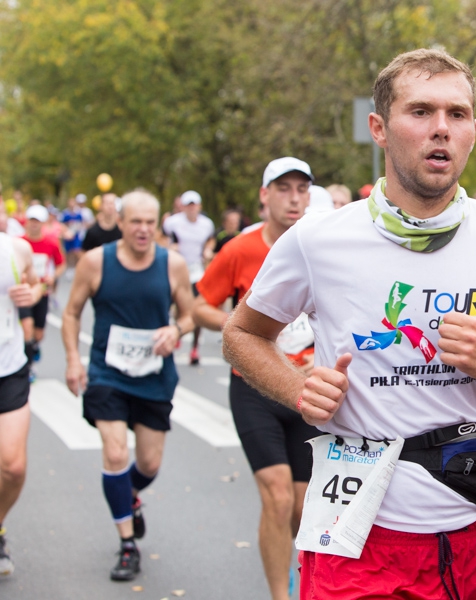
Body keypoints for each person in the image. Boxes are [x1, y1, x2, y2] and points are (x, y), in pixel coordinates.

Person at [222, 48, 476, 599]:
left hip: (473, 525)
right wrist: (297, 388)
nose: (441, 128)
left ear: (473, 131)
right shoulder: (319, 239)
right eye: (420, 111)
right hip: (354, 536)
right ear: (379, 129)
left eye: (457, 114)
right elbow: (241, 334)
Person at [194, 157, 321, 600]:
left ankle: (304, 583)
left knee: (304, 508)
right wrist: (243, 330)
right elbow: (200, 305)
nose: (293, 198)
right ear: (265, 196)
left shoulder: (322, 247)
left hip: (306, 389)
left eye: (301, 189)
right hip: (254, 388)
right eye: (283, 189)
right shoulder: (239, 249)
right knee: (277, 497)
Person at [61, 190, 194, 582]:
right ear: (120, 222)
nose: (143, 229)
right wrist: (73, 360)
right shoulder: (95, 262)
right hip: (109, 374)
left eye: (150, 222)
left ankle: (127, 494)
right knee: (116, 452)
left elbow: (191, 315)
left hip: (154, 376)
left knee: (149, 464)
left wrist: (176, 329)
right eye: (135, 221)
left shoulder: (172, 265)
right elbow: (71, 313)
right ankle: (127, 545)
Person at [0, 222, 47, 577]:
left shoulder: (16, 250)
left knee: (13, 467)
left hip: (8, 366)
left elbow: (37, 282)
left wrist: (31, 293)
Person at [162, 190, 214, 365]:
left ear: (199, 206)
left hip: (196, 271)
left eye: (194, 205)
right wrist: (169, 247)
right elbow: (160, 237)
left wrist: (208, 249)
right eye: (188, 205)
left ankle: (194, 348)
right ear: (183, 207)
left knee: (196, 310)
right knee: (176, 305)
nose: (191, 209)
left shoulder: (206, 224)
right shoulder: (172, 222)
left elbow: (211, 240)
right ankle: (177, 331)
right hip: (175, 270)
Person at [21, 205, 65, 377]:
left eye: (37, 221)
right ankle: (28, 366)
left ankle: (34, 347)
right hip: (25, 292)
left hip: (42, 291)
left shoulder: (50, 244)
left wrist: (53, 277)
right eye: (31, 220)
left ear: (43, 223)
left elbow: (61, 264)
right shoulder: (19, 242)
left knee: (38, 334)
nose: (34, 224)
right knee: (27, 328)